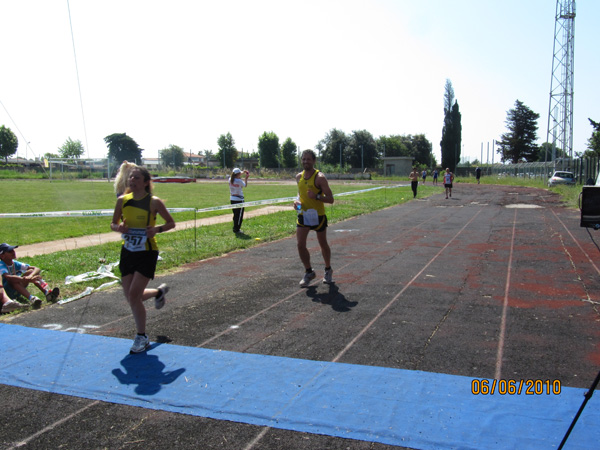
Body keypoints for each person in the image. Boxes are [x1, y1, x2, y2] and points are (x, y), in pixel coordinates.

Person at [110, 165, 176, 354]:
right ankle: (157, 293)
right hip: (128, 251)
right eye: (131, 177)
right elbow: (113, 223)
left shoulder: (154, 202)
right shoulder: (122, 200)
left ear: (146, 182)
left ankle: (141, 337)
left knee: (133, 295)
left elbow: (171, 223)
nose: (132, 180)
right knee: (131, 296)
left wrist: (157, 230)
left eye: (137, 178)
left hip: (147, 252)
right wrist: (118, 228)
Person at [294, 150, 335, 286]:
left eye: (308, 159)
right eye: (304, 159)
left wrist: (316, 196)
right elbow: (300, 196)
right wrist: (297, 204)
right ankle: (308, 271)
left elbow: (330, 199)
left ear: (314, 161)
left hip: (318, 217)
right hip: (303, 215)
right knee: (300, 244)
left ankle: (328, 269)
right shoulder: (298, 177)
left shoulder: (320, 178)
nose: (306, 162)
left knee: (323, 244)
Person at [0, 243, 60, 309]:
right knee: (14, 281)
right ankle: (32, 298)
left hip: (18, 288)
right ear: (2, 256)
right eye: (9, 251)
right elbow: (8, 277)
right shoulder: (1, 265)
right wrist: (24, 279)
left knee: (31, 272)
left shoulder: (14, 263)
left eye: (13, 250)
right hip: (7, 292)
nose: (13, 252)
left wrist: (30, 276)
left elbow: (36, 269)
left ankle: (48, 293)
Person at [229, 168, 249, 233]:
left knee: (235, 215)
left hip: (232, 199)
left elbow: (236, 175)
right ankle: (237, 229)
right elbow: (245, 185)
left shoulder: (230, 179)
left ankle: (235, 228)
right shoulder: (239, 181)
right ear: (238, 174)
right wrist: (246, 178)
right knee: (239, 215)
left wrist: (242, 172)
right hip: (239, 199)